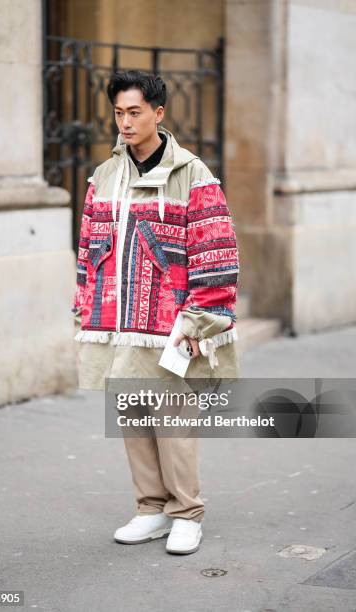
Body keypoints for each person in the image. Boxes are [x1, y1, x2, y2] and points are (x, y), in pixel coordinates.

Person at [71, 70, 240, 554]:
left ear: (158, 113)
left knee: (173, 417)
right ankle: (150, 509)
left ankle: (186, 513)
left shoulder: (194, 174)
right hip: (119, 318)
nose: (125, 122)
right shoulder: (104, 176)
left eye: (135, 112)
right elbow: (88, 246)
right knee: (131, 413)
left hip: (171, 321)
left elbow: (215, 248)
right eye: (119, 112)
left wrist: (201, 317)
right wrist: (85, 302)